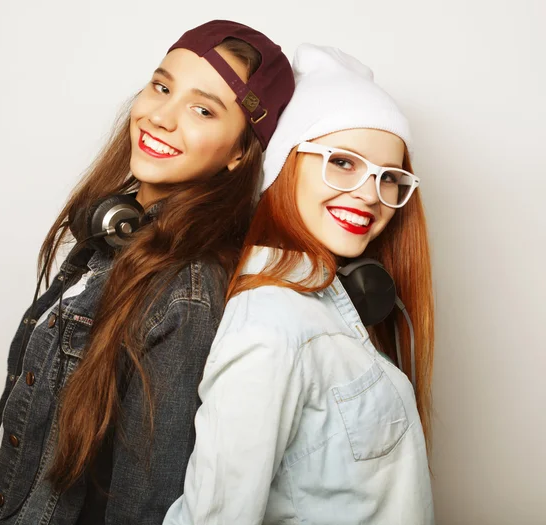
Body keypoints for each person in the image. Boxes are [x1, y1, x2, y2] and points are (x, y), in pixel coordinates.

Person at [0, 20, 294, 525]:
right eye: (162, 86)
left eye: (202, 109)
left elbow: (146, 504)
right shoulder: (115, 235)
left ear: (238, 153)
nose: (160, 116)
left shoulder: (186, 294)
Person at [163, 43, 435, 524]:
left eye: (388, 177)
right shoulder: (272, 325)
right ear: (286, 164)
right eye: (344, 162)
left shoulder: (327, 307)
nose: (371, 195)